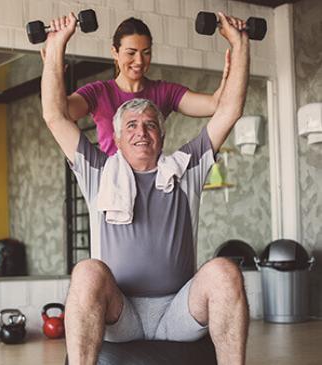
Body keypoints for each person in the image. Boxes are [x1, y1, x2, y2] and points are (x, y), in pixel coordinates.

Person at [41, 11, 249, 365]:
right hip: (121, 313)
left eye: (151, 124)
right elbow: (55, 115)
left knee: (224, 271)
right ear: (117, 139)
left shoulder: (186, 168)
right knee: (87, 271)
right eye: (132, 125)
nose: (141, 131)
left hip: (178, 310)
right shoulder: (99, 172)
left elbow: (227, 110)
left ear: (163, 135)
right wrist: (57, 46)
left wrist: (240, 45)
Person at [66, 16, 230, 156]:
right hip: (112, 186)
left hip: (153, 185)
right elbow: (60, 112)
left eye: (146, 52)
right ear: (115, 52)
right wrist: (55, 61)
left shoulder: (164, 92)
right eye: (131, 53)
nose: (139, 61)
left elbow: (216, 105)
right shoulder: (98, 92)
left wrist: (236, 52)